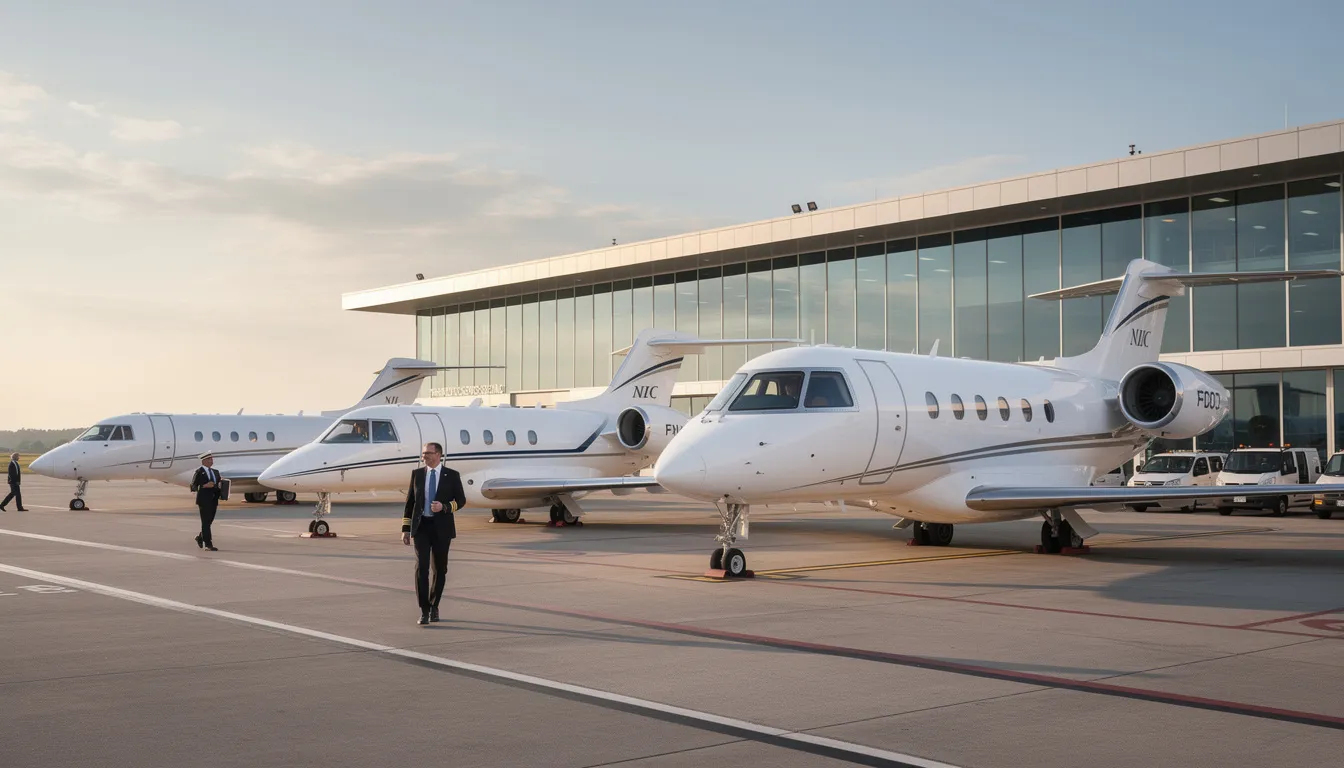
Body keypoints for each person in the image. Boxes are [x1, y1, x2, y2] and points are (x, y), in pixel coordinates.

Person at [402, 442, 466, 626]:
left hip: (442, 528)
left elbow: (461, 501)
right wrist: (406, 529)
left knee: (440, 569)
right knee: (421, 568)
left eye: (428, 453)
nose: (424, 456)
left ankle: (434, 605)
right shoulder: (417, 475)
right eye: (423, 453)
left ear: (438, 454)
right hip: (421, 527)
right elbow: (410, 503)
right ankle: (424, 610)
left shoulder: (451, 475)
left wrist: (444, 507)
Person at [189, 452, 222, 551]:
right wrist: (204, 486)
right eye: (209, 459)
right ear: (203, 461)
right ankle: (208, 544)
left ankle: (200, 537)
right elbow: (193, 486)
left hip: (213, 500)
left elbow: (218, 486)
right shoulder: (199, 472)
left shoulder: (216, 472)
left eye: (212, 459)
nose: (211, 461)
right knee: (205, 522)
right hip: (204, 500)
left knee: (209, 521)